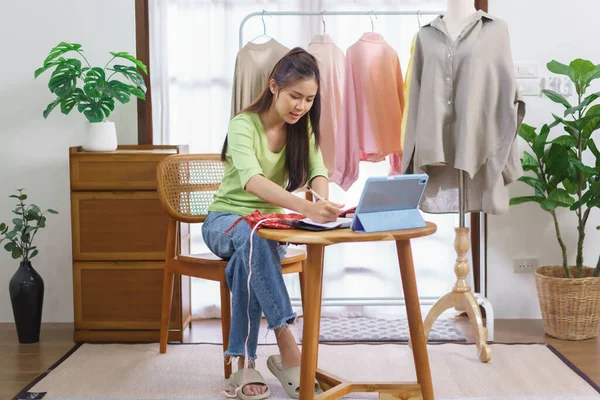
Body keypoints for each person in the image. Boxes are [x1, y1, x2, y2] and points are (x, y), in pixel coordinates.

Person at [202, 47, 342, 399]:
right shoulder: (243, 124)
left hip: (263, 229)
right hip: (224, 221)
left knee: (246, 259)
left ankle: (244, 365)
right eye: (295, 96)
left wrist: (322, 201)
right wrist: (305, 209)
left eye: (309, 99)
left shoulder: (302, 130)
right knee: (252, 238)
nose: (301, 106)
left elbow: (318, 171)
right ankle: (287, 343)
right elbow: (253, 181)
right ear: (274, 86)